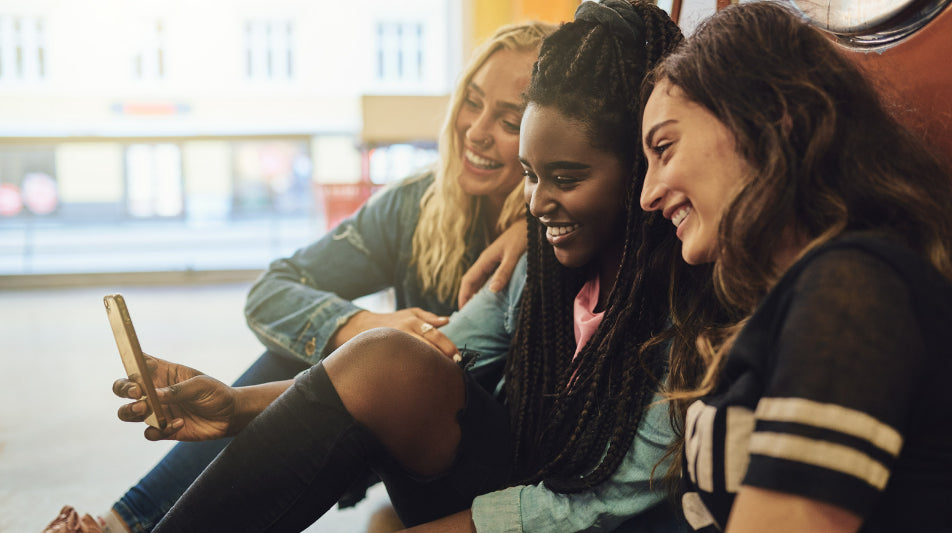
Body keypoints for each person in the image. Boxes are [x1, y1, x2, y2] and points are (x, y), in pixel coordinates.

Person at [103, 1, 692, 531]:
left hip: (560, 512)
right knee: (381, 352)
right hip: (492, 466)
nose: (535, 201)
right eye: (532, 175)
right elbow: (419, 355)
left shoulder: (679, 306)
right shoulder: (522, 255)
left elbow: (594, 510)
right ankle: (133, 523)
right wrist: (236, 407)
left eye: (562, 176)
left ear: (643, 166)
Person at [44, 21, 556, 533]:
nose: (477, 130)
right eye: (471, 101)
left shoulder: (557, 229)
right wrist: (353, 325)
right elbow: (273, 289)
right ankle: (124, 523)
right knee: (319, 338)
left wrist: (533, 226)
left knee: (377, 358)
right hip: (399, 446)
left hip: (489, 465)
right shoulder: (416, 204)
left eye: (511, 119)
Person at [638, 3, 952, 532]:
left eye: (664, 148)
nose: (648, 194)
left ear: (766, 114)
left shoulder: (854, 288)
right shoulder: (811, 292)